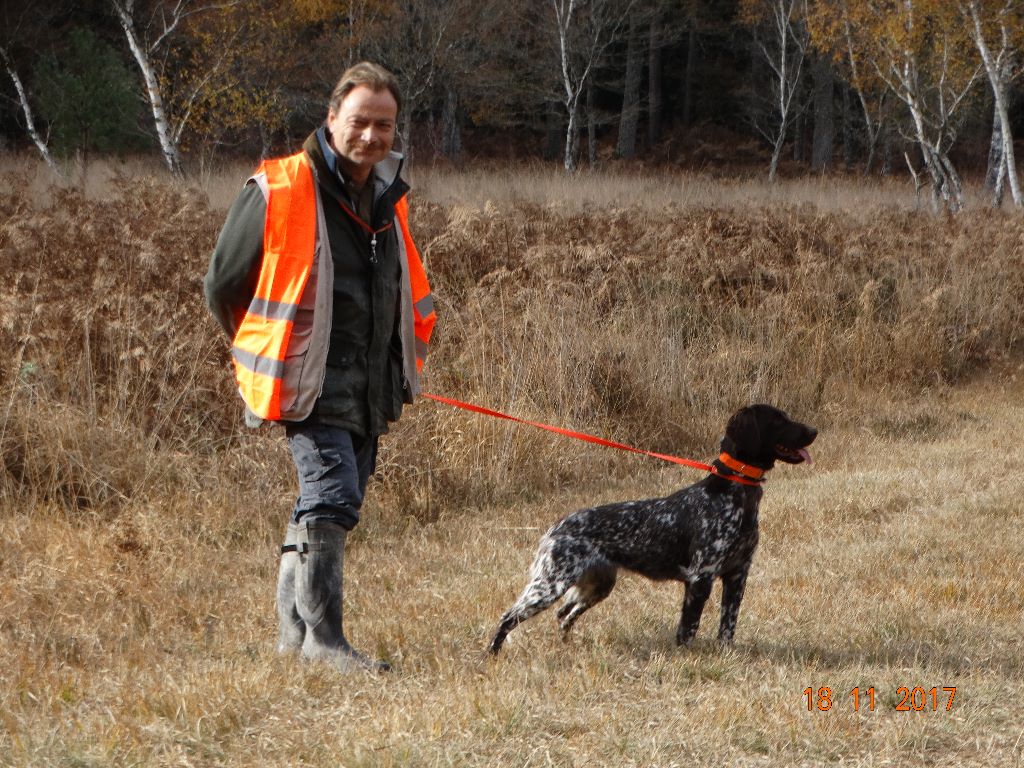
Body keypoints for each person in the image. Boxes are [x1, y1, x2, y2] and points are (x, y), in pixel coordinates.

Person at [204, 62, 436, 673]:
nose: (372, 136)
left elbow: (399, 288)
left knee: (325, 500)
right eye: (360, 121)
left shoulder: (388, 194)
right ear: (332, 118)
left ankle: (292, 638)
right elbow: (223, 283)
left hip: (369, 384)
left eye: (384, 125)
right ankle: (326, 643)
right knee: (331, 498)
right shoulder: (280, 187)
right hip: (307, 381)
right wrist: (261, 344)